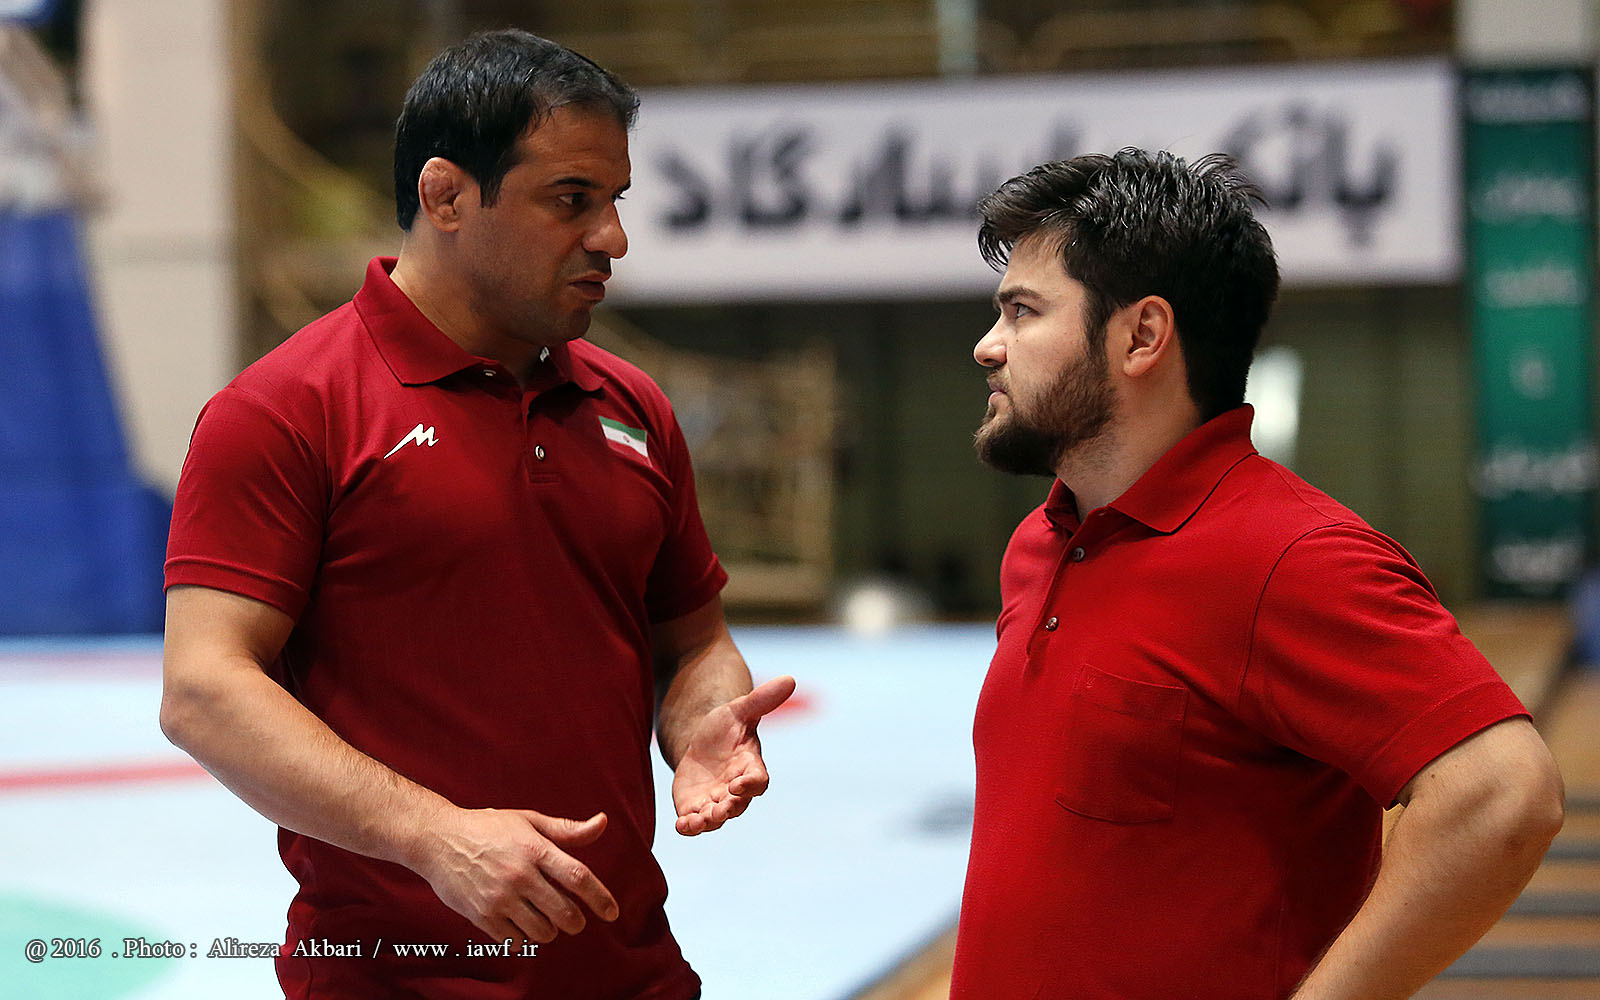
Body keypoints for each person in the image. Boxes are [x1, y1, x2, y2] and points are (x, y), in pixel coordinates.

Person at [160, 30, 793, 1000]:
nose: (612, 239)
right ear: (446, 196)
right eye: (571, 200)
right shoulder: (286, 410)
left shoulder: (632, 407)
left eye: (615, 201)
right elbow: (204, 690)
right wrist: (435, 836)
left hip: (635, 974)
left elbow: (694, 638)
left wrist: (702, 720)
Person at [950, 148, 1564, 999]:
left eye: (1022, 312)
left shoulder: (1290, 557)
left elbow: (1503, 795)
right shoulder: (1042, 544)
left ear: (1142, 336)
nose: (988, 346)